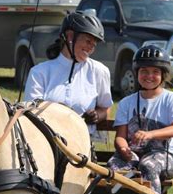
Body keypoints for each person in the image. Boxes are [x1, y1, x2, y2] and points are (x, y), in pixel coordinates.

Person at [107, 45, 173, 194]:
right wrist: (124, 149)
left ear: (163, 75)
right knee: (113, 166)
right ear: (137, 73)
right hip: (133, 154)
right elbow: (120, 137)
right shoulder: (126, 103)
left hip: (164, 154)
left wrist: (150, 134)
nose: (149, 76)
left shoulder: (171, 99)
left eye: (155, 72)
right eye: (144, 71)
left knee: (148, 166)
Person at [23, 11, 113, 140]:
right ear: (70, 36)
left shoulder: (99, 71)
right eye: (88, 41)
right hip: (47, 141)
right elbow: (30, 112)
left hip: (82, 144)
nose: (91, 48)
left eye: (94, 45)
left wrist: (97, 115)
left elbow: (105, 108)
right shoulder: (39, 72)